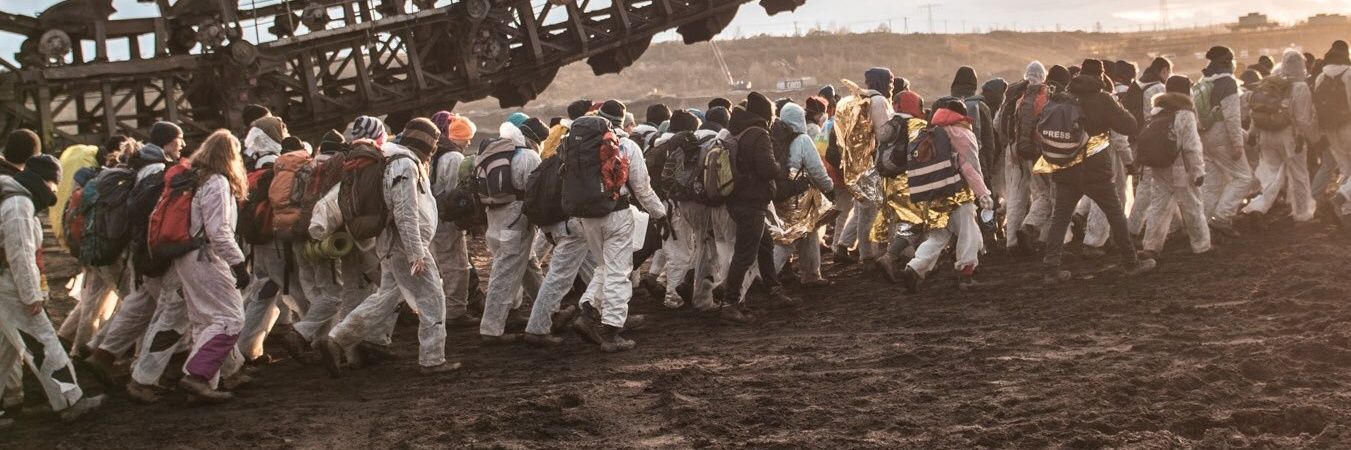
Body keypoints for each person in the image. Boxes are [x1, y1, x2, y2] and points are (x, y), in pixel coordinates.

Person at [320, 118, 460, 375]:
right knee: (432, 299)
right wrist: (416, 254)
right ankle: (432, 359)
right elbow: (405, 212)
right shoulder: (404, 165)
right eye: (432, 144)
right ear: (425, 143)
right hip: (406, 246)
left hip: (392, 244)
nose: (433, 151)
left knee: (386, 297)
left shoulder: (391, 159)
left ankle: (338, 339)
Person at [0, 155, 105, 423]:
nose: (56, 190)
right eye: (54, 183)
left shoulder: (12, 198)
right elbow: (20, 255)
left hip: (5, 283)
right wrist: (31, 295)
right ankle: (70, 400)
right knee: (45, 342)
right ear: (44, 182)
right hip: (10, 285)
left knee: (6, 349)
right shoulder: (19, 205)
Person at [1042, 59, 1154, 284]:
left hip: (1065, 166)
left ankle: (1051, 269)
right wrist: (1116, 107)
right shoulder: (1102, 99)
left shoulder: (1064, 97)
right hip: (1095, 169)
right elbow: (1130, 125)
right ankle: (1131, 262)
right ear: (1101, 76)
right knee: (1115, 214)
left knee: (1060, 218)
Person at [569, 100, 666, 350]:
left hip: (586, 215)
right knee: (619, 272)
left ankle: (588, 313)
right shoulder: (627, 145)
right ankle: (612, 331)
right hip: (616, 213)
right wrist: (660, 213)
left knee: (604, 266)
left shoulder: (578, 143)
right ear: (622, 122)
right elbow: (642, 188)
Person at [173, 130, 250, 401]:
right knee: (231, 318)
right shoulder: (217, 182)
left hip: (185, 255)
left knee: (203, 321)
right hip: (205, 256)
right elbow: (218, 231)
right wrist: (238, 263)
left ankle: (206, 383)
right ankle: (197, 376)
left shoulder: (194, 179)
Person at [718, 92, 798, 324]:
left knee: (765, 245)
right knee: (745, 254)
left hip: (738, 199)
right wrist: (779, 167)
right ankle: (730, 304)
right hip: (752, 202)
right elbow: (767, 169)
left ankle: (774, 290)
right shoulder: (759, 134)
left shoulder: (737, 132)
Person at [898, 100, 992, 292]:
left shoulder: (931, 132)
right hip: (957, 194)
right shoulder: (962, 133)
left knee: (938, 236)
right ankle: (966, 275)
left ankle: (914, 267)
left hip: (933, 195)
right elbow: (970, 167)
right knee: (967, 233)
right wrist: (983, 193)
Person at [478, 118, 548, 344]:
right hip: (516, 224)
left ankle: (549, 311)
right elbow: (537, 193)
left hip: (494, 221)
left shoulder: (493, 153)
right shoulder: (529, 157)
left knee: (529, 267)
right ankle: (491, 329)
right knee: (504, 277)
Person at [1241, 50, 1318, 225]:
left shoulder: (1271, 83)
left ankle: (1257, 207)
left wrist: (1253, 133)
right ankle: (1302, 214)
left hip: (1266, 135)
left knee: (1272, 176)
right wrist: (1314, 139)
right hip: (1289, 137)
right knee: (1299, 175)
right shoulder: (1300, 87)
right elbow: (1302, 120)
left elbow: (1257, 110)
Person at [1139, 75, 1212, 259]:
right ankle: (1202, 245)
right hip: (1181, 167)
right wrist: (1198, 170)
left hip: (1159, 164)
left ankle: (1150, 246)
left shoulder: (1157, 111)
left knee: (1159, 205)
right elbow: (1191, 146)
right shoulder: (1185, 114)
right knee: (1192, 206)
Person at [769, 102, 834, 286]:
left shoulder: (773, 136)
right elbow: (816, 170)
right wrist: (829, 188)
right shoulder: (802, 140)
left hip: (780, 194)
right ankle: (763, 278)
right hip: (799, 197)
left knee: (809, 232)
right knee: (787, 240)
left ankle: (812, 274)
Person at [1197, 46, 1253, 237]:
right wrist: (1237, 143)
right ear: (1228, 62)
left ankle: (1203, 227)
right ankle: (1222, 217)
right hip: (1222, 136)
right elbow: (1232, 117)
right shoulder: (1228, 82)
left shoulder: (1203, 82)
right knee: (1243, 178)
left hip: (1204, 137)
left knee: (1212, 185)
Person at [429, 112, 479, 328]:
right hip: (447, 220)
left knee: (438, 264)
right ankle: (455, 311)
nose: (468, 142)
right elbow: (455, 194)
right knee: (457, 266)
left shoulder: (436, 153)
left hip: (432, 215)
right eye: (466, 138)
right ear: (456, 137)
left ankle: (438, 307)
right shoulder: (454, 158)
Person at [1001, 61, 1055, 254]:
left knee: (1016, 195)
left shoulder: (1016, 94)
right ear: (1043, 76)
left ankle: (1011, 241)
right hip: (1035, 151)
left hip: (1014, 150)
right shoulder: (1042, 95)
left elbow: (999, 123)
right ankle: (1031, 229)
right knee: (1046, 194)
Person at [1128, 57, 1173, 238]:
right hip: (1154, 142)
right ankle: (1132, 228)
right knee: (1148, 186)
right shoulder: (1158, 88)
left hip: (1138, 139)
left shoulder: (1139, 84)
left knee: (1152, 185)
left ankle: (1176, 225)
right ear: (1164, 70)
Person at [1316, 41, 1351, 223]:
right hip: (1348, 125)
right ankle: (1341, 197)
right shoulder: (1349, 73)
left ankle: (1346, 212)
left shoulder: (1320, 77)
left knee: (1346, 169)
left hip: (1330, 130)